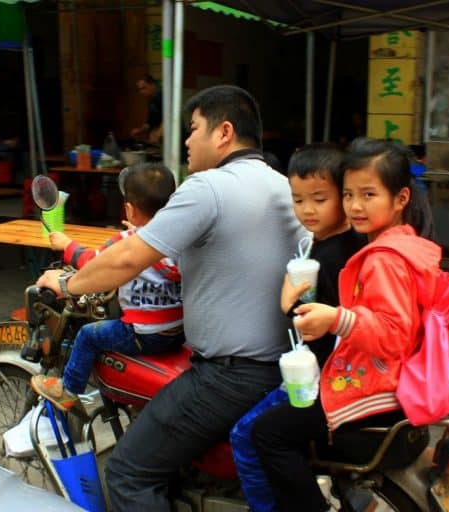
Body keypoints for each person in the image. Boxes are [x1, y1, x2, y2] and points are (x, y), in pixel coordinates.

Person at [36, 84, 305, 510]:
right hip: (285, 369)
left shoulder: (208, 187)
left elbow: (128, 257)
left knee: (127, 473)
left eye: (193, 128)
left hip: (229, 375)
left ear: (224, 133)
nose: (186, 141)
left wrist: (66, 284)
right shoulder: (287, 187)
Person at [250, 139, 438, 512]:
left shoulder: (382, 258)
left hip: (376, 389)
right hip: (393, 379)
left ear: (400, 198)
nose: (356, 205)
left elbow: (393, 333)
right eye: (350, 194)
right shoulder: (400, 243)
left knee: (264, 433)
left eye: (368, 194)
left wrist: (334, 318)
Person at [230, 144, 366, 512]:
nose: (307, 210)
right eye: (298, 200)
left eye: (319, 199)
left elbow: (313, 324)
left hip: (326, 379)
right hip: (330, 374)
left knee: (246, 434)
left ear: (343, 196)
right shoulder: (332, 245)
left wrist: (288, 301)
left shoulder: (336, 255)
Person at [30, 162, 184, 412]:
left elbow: (94, 264)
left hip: (144, 334)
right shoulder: (181, 239)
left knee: (88, 335)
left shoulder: (127, 242)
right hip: (178, 331)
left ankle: (68, 389)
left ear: (130, 210)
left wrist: (66, 244)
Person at [130, 74, 163, 146]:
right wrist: (139, 130)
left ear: (153, 85)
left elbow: (169, 118)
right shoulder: (152, 100)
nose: (141, 92)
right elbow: (150, 123)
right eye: (139, 89)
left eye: (144, 88)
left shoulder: (162, 96)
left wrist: (157, 134)